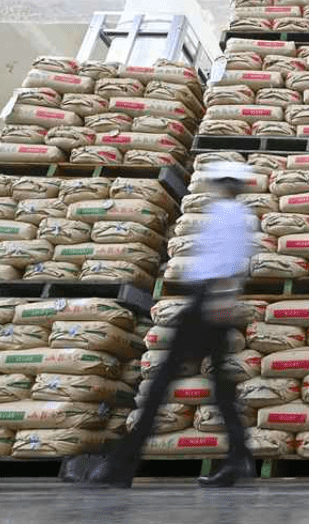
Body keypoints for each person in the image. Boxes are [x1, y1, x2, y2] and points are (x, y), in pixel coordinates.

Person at [87, 161, 257, 488]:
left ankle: (123, 463)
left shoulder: (230, 214)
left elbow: (230, 263)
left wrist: (219, 302)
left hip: (209, 302)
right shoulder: (230, 213)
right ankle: (239, 457)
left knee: (164, 381)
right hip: (209, 301)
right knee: (219, 387)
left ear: (225, 183)